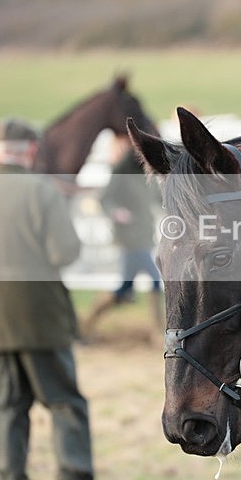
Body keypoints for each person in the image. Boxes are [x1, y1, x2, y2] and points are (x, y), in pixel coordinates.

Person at [0, 118, 94, 480]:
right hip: (44, 317)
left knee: (5, 407)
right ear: (29, 150)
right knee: (63, 402)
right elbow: (66, 252)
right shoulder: (41, 190)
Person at [81, 136, 163, 341]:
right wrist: (116, 212)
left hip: (144, 236)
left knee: (124, 288)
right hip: (128, 238)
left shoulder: (146, 174)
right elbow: (103, 200)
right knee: (154, 279)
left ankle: (85, 324)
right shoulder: (120, 172)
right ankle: (157, 332)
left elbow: (157, 198)